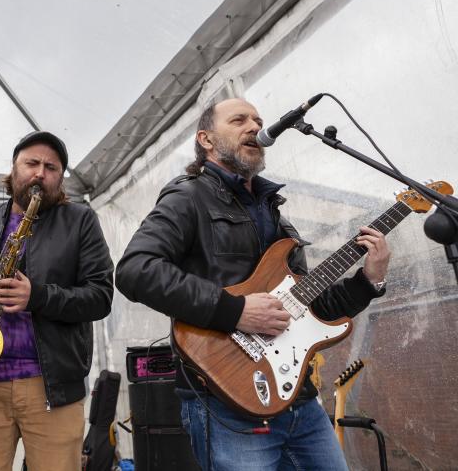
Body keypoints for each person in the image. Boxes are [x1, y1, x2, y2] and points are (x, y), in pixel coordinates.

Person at [115, 98, 391, 471]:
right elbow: (136, 270)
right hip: (225, 397)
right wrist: (236, 311)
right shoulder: (189, 196)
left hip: (298, 399)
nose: (254, 126)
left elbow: (309, 310)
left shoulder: (272, 211)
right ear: (206, 139)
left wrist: (369, 280)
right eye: (239, 119)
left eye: (258, 120)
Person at [0, 131, 114, 471]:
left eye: (51, 167)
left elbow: (100, 296)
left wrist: (39, 296)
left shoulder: (81, 220)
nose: (40, 173)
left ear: (60, 179)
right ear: (14, 169)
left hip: (51, 388)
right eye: (31, 163)